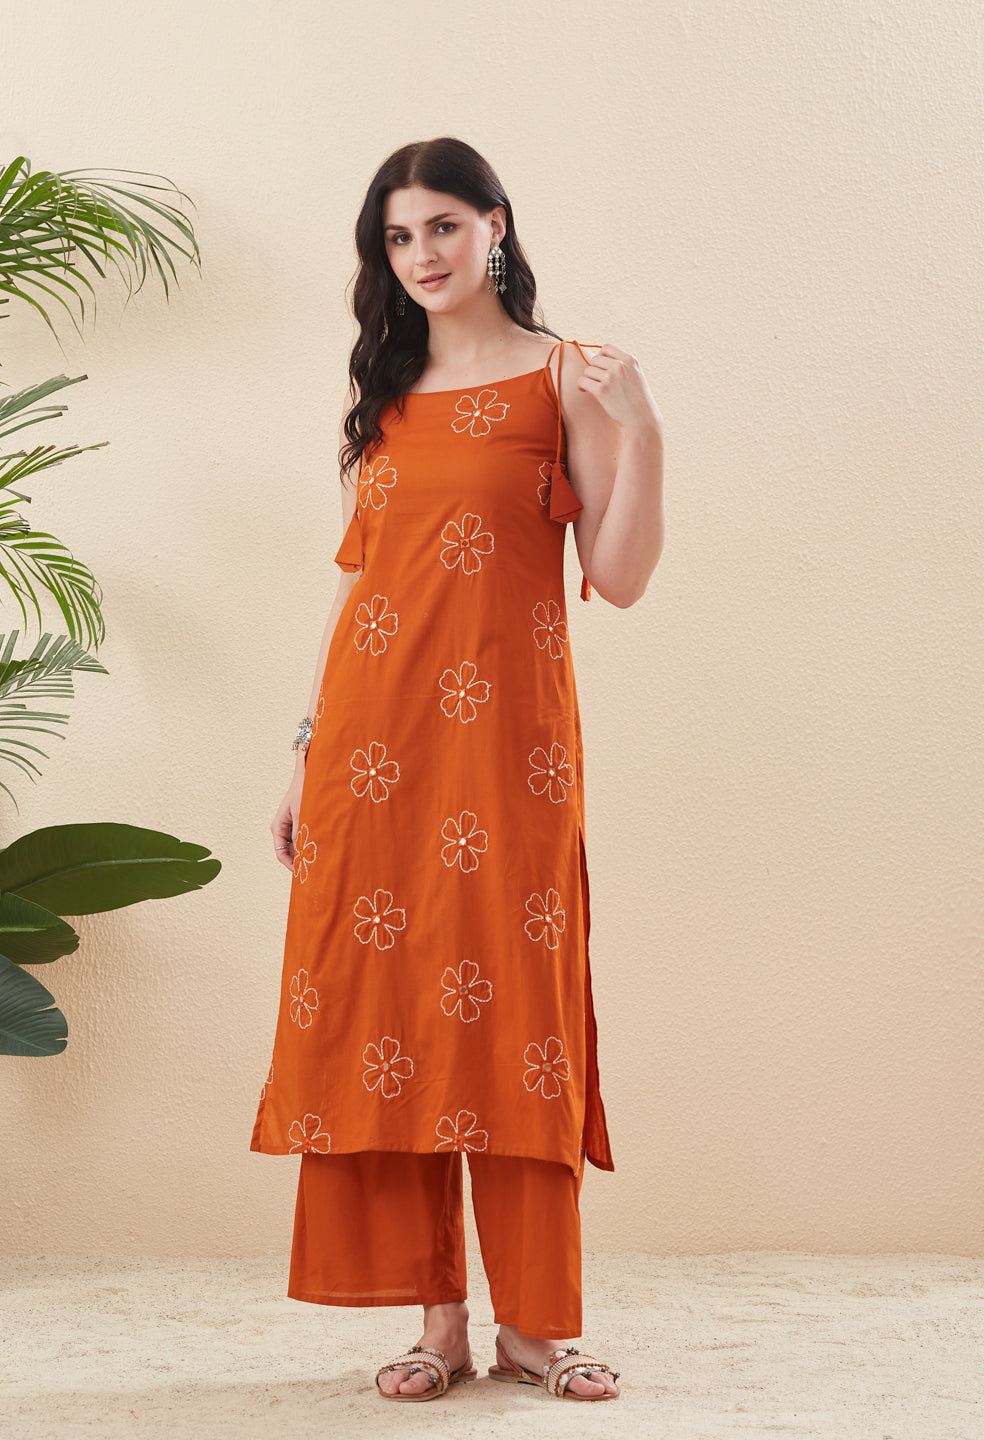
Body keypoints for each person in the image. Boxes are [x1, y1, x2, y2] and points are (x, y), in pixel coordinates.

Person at [251, 136, 664, 1403]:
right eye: (396, 237)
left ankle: (535, 1331)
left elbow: (624, 574)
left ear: (496, 225)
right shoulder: (386, 388)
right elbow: (355, 582)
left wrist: (640, 423)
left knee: (517, 1024)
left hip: (510, 758)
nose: (420, 256)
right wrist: (302, 750)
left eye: (440, 227)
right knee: (394, 1011)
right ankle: (439, 1324)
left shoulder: (568, 378)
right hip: (372, 753)